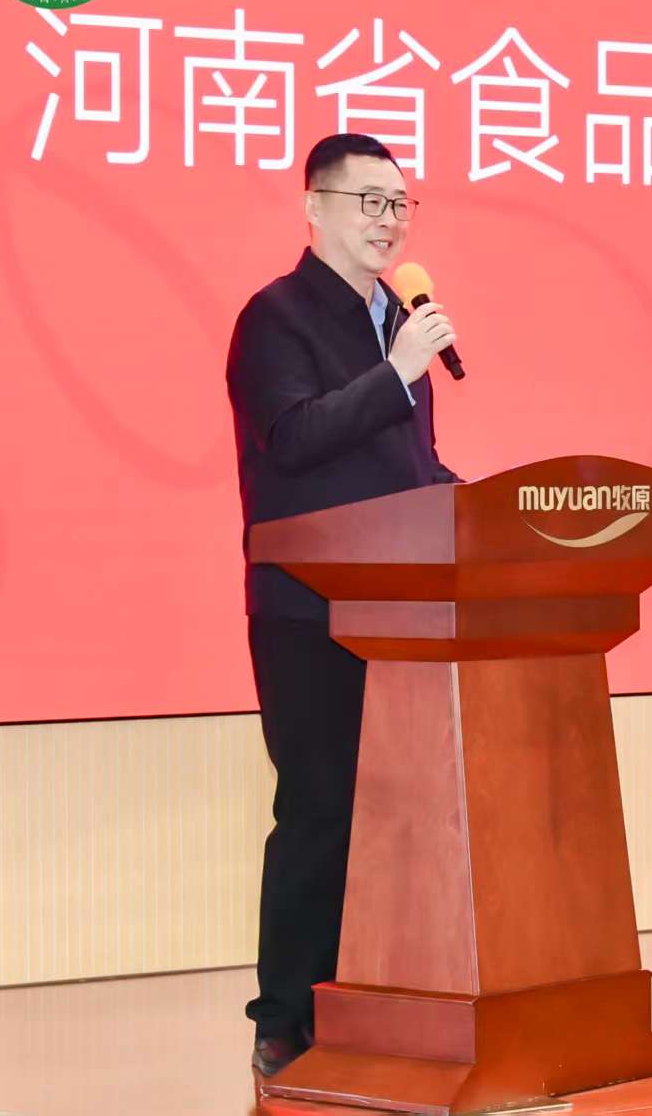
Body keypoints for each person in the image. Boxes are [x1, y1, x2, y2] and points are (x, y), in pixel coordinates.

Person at [225, 133, 461, 1078]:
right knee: (320, 810)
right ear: (314, 207)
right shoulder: (274, 317)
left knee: (397, 818)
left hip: (402, 610)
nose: (388, 221)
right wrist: (397, 372)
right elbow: (292, 438)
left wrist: (483, 506)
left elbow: (409, 468)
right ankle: (285, 1017)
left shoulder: (396, 321)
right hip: (308, 610)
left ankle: (371, 1001)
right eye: (370, 201)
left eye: (400, 204)